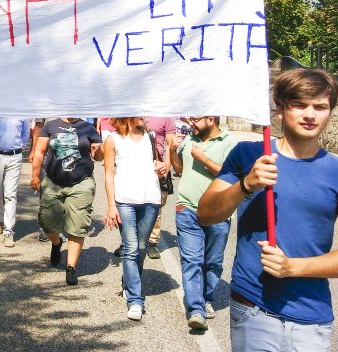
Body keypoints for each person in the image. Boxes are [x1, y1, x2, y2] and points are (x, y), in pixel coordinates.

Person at [198, 68, 338, 351]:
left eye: (320, 106)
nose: (310, 114)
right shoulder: (249, 154)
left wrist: (292, 267)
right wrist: (245, 185)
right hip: (253, 309)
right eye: (299, 104)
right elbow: (206, 214)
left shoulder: (335, 170)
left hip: (312, 318)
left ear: (330, 111)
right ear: (280, 108)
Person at [170, 115, 237, 331]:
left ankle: (206, 297)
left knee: (214, 261)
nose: (191, 122)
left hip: (219, 212)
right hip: (187, 209)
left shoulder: (230, 143)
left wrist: (203, 159)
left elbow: (233, 176)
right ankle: (196, 309)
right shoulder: (190, 140)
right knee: (191, 260)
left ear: (210, 119)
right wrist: (172, 151)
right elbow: (179, 169)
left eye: (195, 119)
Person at [103, 116, 169, 321]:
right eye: (140, 111)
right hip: (124, 201)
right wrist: (111, 205)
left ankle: (129, 281)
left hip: (150, 198)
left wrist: (162, 166)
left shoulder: (150, 136)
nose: (145, 115)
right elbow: (108, 174)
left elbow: (157, 163)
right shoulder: (113, 139)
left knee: (141, 248)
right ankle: (135, 300)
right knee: (131, 248)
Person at [30, 118, 102, 285]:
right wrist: (34, 174)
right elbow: (40, 151)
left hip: (81, 182)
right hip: (53, 181)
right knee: (46, 221)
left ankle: (71, 267)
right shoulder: (51, 126)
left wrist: (98, 151)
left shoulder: (87, 127)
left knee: (77, 224)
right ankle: (56, 242)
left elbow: (98, 157)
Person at [0, 118, 30, 247]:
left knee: (10, 194)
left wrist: (20, 146)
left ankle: (8, 232)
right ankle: (0, 220)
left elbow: (26, 134)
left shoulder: (21, 112)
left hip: (15, 156)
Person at [143, 116, 177, 259]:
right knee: (132, 202)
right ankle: (129, 241)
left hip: (159, 166)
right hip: (138, 164)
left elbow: (170, 143)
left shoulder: (166, 116)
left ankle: (151, 242)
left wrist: (167, 166)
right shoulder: (138, 111)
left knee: (156, 204)